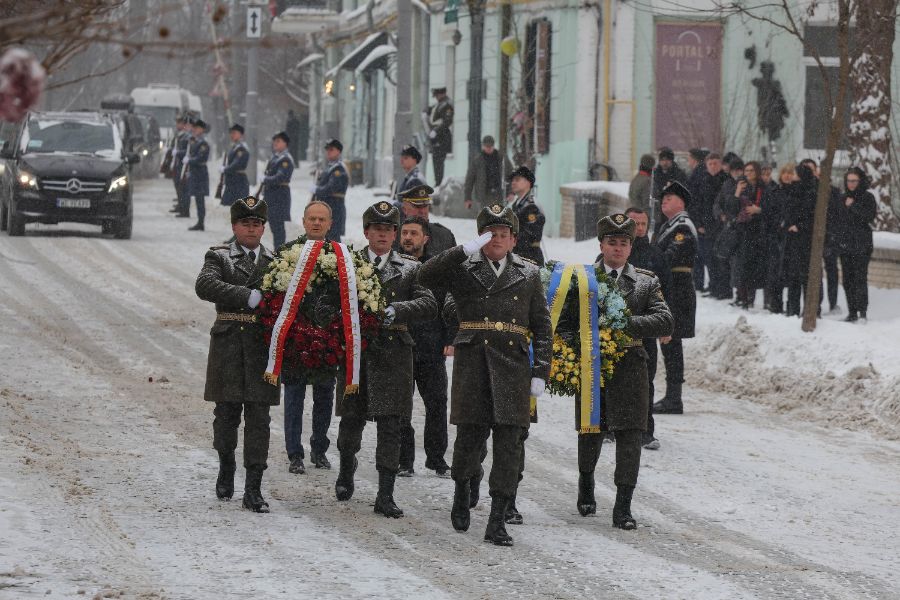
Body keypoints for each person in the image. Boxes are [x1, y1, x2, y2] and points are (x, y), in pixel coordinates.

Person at [419, 203, 552, 547]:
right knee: (469, 441)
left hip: (513, 366)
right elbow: (425, 276)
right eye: (490, 234)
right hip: (473, 363)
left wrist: (541, 371)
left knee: (509, 446)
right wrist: (462, 250)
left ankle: (497, 519)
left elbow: (542, 325)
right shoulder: (464, 267)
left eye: (503, 235)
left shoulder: (529, 273)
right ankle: (462, 491)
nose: (496, 240)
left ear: (513, 240)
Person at [562, 213, 672, 529]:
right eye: (612, 243)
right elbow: (565, 322)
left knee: (630, 434)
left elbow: (665, 320)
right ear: (602, 244)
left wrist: (624, 323)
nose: (618, 249)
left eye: (624, 243)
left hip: (631, 365)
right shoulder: (583, 280)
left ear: (630, 247)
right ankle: (586, 482)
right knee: (591, 429)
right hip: (593, 364)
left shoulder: (646, 281)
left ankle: (623, 505)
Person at [334, 201, 437, 518]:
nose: (382, 234)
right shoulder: (347, 265)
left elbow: (429, 303)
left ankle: (385, 492)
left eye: (388, 229)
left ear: (394, 234)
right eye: (376, 229)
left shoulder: (411, 268)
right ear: (366, 232)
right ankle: (346, 467)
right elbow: (327, 302)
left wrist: (400, 310)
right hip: (358, 354)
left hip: (394, 355)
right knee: (352, 419)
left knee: (392, 424)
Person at [195, 196, 279, 513]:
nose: (251, 229)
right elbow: (205, 285)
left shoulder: (276, 261)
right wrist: (247, 296)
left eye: (256, 224)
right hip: (228, 344)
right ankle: (226, 463)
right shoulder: (219, 256)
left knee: (259, 419)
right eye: (245, 223)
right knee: (227, 415)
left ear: (263, 227)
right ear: (234, 226)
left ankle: (254, 487)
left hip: (261, 349)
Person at [281, 201, 337, 474]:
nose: (316, 223)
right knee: (294, 397)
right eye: (312, 219)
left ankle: (319, 449)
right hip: (296, 341)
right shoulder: (287, 253)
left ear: (330, 224)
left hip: (327, 340)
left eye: (321, 219)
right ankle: (294, 453)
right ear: (303, 222)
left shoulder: (340, 255)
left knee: (325, 396)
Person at [397, 215, 453, 477]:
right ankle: (404, 459)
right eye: (405, 233)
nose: (408, 238)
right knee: (401, 405)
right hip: (400, 345)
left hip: (431, 346)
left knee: (437, 402)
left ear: (425, 239)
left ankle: (436, 457)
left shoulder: (436, 268)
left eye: (414, 234)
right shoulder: (395, 266)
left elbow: (448, 305)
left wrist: (450, 338)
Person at [621, 208, 670, 450]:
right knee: (613, 376)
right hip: (618, 327)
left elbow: (667, 292)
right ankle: (611, 424)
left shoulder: (655, 255)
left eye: (643, 223)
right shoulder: (615, 254)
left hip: (646, 328)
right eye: (635, 223)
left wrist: (667, 324)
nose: (640, 228)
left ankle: (645, 430)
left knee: (645, 380)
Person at [652, 181, 697, 415]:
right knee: (668, 342)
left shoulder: (683, 227)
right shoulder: (669, 226)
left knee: (672, 341)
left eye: (669, 198)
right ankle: (672, 396)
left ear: (681, 202)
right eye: (663, 198)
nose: (664, 202)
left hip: (678, 289)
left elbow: (669, 258)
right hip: (670, 287)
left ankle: (674, 397)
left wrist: (650, 266)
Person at [838, 167, 877, 322]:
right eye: (849, 181)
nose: (851, 184)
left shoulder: (867, 198)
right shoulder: (842, 198)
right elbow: (838, 219)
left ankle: (862, 312)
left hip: (861, 244)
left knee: (860, 277)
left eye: (854, 181)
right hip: (845, 244)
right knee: (847, 279)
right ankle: (852, 311)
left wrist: (852, 206)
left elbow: (868, 217)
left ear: (860, 181)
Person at [728, 161, 768, 308]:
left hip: (757, 231)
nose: (749, 173)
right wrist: (737, 192)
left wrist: (759, 210)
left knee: (753, 266)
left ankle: (750, 298)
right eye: (747, 170)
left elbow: (769, 206)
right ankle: (741, 296)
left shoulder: (763, 188)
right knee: (739, 266)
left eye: (751, 171)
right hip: (741, 231)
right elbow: (731, 208)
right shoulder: (740, 186)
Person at [783, 163, 818, 317]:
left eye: (795, 174)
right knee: (793, 276)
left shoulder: (809, 192)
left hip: (803, 239)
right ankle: (792, 309)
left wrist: (799, 226)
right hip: (792, 239)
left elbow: (810, 215)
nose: (793, 176)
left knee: (804, 276)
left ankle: (806, 310)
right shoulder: (794, 190)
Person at [692, 152, 729, 295]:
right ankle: (713, 285)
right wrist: (698, 224)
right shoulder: (702, 180)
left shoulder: (726, 180)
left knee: (721, 258)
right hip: (704, 225)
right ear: (706, 166)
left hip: (721, 225)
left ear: (720, 165)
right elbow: (695, 204)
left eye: (716, 163)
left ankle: (722, 288)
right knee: (708, 257)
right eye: (710, 164)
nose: (713, 166)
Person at [762, 163, 795, 313]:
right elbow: (768, 212)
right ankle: (775, 303)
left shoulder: (797, 192)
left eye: (790, 173)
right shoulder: (774, 191)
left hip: (792, 237)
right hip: (776, 236)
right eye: (785, 173)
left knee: (790, 273)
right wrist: (778, 224)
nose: (787, 175)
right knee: (775, 272)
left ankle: (791, 305)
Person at [396, 184, 457, 257]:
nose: (422, 211)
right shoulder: (393, 236)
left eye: (425, 206)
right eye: (417, 206)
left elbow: (457, 265)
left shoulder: (444, 235)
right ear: (404, 209)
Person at [261, 131, 294, 249]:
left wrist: (266, 179)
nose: (275, 143)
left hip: (279, 196)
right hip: (272, 196)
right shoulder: (276, 158)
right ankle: (278, 250)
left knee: (278, 226)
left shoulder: (285, 160)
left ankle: (279, 251)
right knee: (274, 226)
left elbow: (280, 177)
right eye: (275, 141)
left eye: (278, 141)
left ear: (285, 144)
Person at [312, 139, 349, 242]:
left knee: (333, 239)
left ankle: (338, 258)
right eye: (327, 149)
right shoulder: (329, 167)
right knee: (326, 239)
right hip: (328, 208)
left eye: (331, 149)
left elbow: (330, 188)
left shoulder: (339, 170)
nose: (328, 152)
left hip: (334, 208)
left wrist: (317, 190)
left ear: (338, 151)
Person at [507, 165, 545, 266]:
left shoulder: (532, 205)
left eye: (517, 179)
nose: (513, 183)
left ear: (528, 182)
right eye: (512, 180)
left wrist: (508, 239)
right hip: (518, 254)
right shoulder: (517, 204)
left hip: (529, 256)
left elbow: (532, 234)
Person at [464, 135, 510, 211]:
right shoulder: (477, 160)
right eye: (486, 146)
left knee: (498, 219)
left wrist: (510, 192)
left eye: (490, 146)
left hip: (499, 195)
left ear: (493, 146)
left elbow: (511, 175)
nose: (488, 148)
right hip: (483, 196)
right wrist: (467, 198)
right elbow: (469, 180)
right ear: (483, 146)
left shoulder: (502, 158)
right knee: (485, 219)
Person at [184, 119, 210, 231]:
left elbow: (200, 158)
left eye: (197, 128)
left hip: (200, 173)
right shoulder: (195, 141)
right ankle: (199, 221)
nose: (195, 130)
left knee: (200, 198)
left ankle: (201, 222)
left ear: (202, 130)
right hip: (195, 172)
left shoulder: (203, 143)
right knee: (198, 198)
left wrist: (189, 160)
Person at [425, 87, 454, 186]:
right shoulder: (438, 105)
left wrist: (436, 131)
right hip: (436, 138)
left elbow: (447, 121)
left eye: (437, 95)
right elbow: (432, 114)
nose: (436, 98)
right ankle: (437, 182)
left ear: (442, 94)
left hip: (442, 137)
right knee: (435, 161)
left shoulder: (447, 105)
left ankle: (439, 183)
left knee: (439, 162)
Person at [220, 123, 250, 207]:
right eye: (231, 133)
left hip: (238, 182)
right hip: (233, 181)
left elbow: (236, 164)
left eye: (234, 133)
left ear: (241, 135)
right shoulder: (235, 147)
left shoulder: (241, 148)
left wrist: (225, 169)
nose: (232, 135)